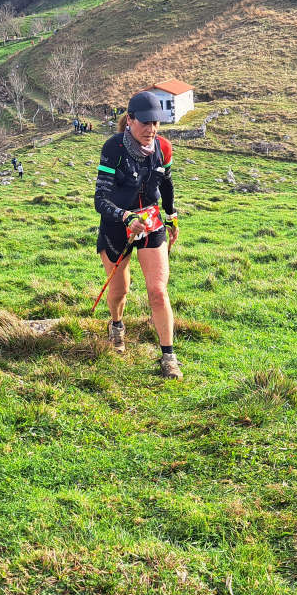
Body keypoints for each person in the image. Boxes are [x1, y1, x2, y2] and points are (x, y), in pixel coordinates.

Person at [94, 91, 181, 379]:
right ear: (129, 119)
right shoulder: (114, 148)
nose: (151, 130)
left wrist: (172, 217)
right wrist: (126, 216)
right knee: (120, 290)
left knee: (157, 291)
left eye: (156, 123)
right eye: (145, 123)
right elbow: (100, 199)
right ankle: (117, 325)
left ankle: (168, 357)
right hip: (117, 223)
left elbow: (166, 184)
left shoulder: (163, 148)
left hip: (152, 222)